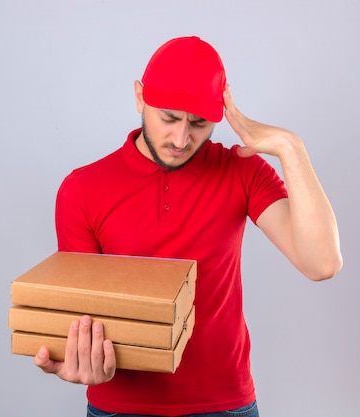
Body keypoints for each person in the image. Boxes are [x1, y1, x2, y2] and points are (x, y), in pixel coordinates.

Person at [34, 36, 342, 417]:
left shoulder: (242, 171)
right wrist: (76, 361)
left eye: (198, 124)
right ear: (139, 98)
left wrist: (290, 146)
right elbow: (80, 315)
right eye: (168, 118)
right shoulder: (82, 189)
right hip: (120, 408)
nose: (181, 139)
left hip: (226, 404)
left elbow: (322, 263)